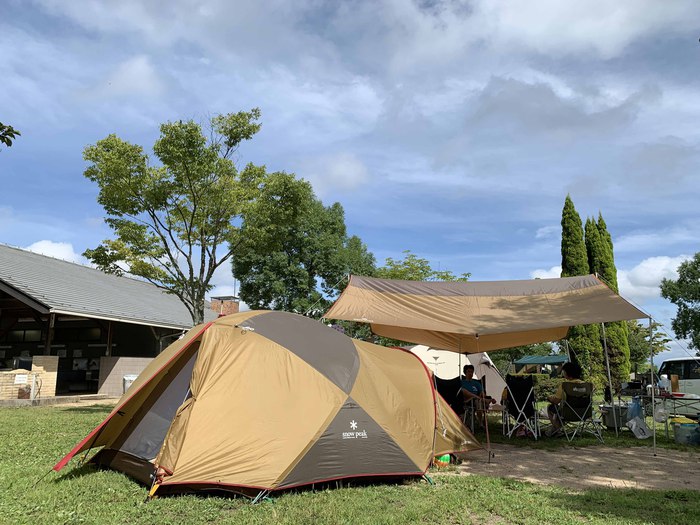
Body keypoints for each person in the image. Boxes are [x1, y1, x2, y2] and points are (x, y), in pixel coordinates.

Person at [546, 361, 584, 436]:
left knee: (550, 407)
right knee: (561, 410)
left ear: (567, 373)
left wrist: (549, 398)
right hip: (584, 413)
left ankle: (557, 430)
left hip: (567, 413)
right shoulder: (587, 385)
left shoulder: (565, 385)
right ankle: (555, 428)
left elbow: (556, 401)